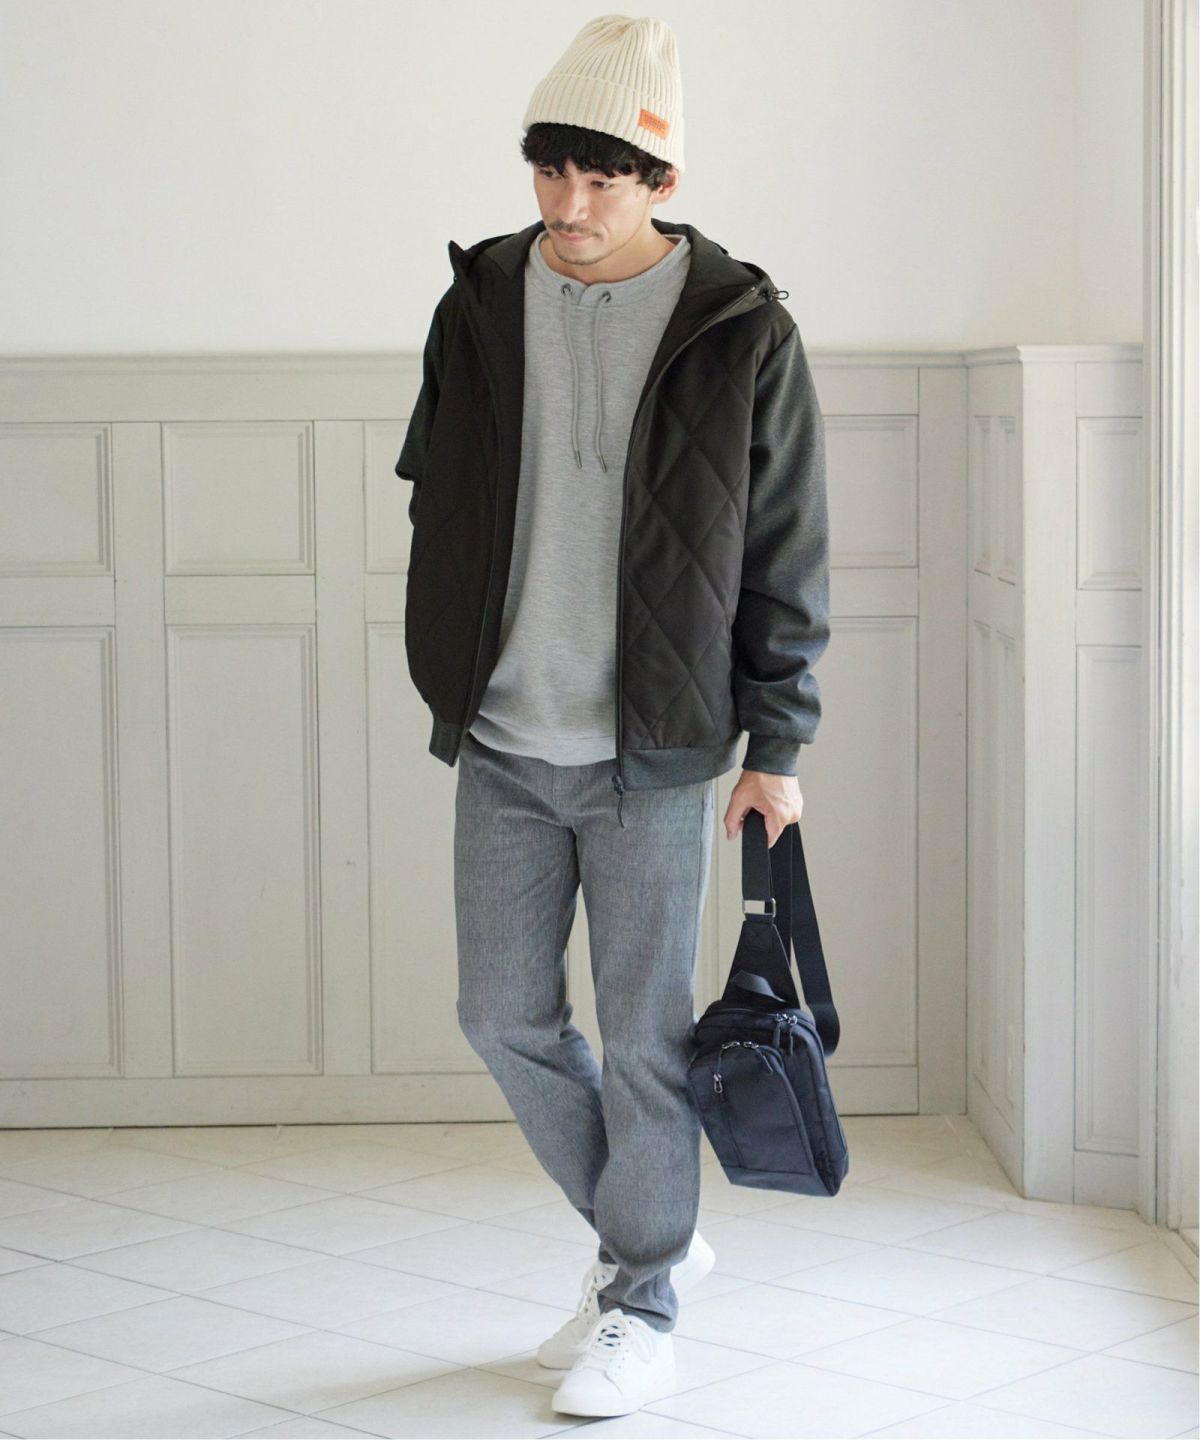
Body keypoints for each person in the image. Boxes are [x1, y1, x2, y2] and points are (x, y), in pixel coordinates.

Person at [395, 12, 831, 1418]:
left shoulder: (741, 327)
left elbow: (786, 548)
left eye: (602, 178)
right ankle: (655, 1236)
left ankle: (641, 1303)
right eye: (550, 171)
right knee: (501, 1015)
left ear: (661, 179)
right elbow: (439, 487)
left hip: (656, 751)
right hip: (504, 737)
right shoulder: (479, 300)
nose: (569, 206)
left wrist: (779, 744)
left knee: (645, 1040)